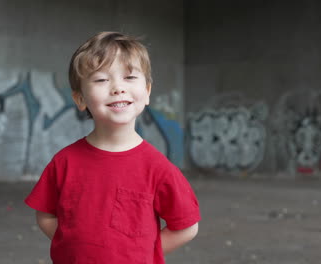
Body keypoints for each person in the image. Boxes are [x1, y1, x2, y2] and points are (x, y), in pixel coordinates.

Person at [25, 31, 200, 263]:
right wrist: (74, 248)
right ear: (80, 99)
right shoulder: (65, 161)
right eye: (101, 79)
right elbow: (45, 215)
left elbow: (186, 227)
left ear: (147, 92)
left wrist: (142, 253)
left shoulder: (158, 168)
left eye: (129, 77)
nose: (118, 87)